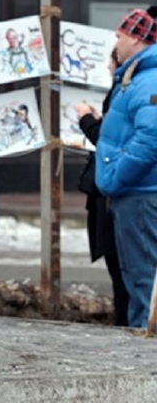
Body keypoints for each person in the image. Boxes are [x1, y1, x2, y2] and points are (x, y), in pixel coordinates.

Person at [95, 6, 157, 329]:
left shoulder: (148, 81)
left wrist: (118, 175)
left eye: (119, 36)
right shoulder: (138, 77)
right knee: (136, 277)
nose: (116, 43)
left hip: (140, 195)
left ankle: (146, 360)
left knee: (142, 277)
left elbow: (152, 139)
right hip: (134, 193)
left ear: (135, 39)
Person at [75, 49, 129, 327]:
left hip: (114, 192)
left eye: (112, 59)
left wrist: (87, 121)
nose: (108, 66)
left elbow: (111, 142)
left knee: (123, 270)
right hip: (110, 191)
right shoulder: (126, 90)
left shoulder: (129, 89)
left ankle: (129, 323)